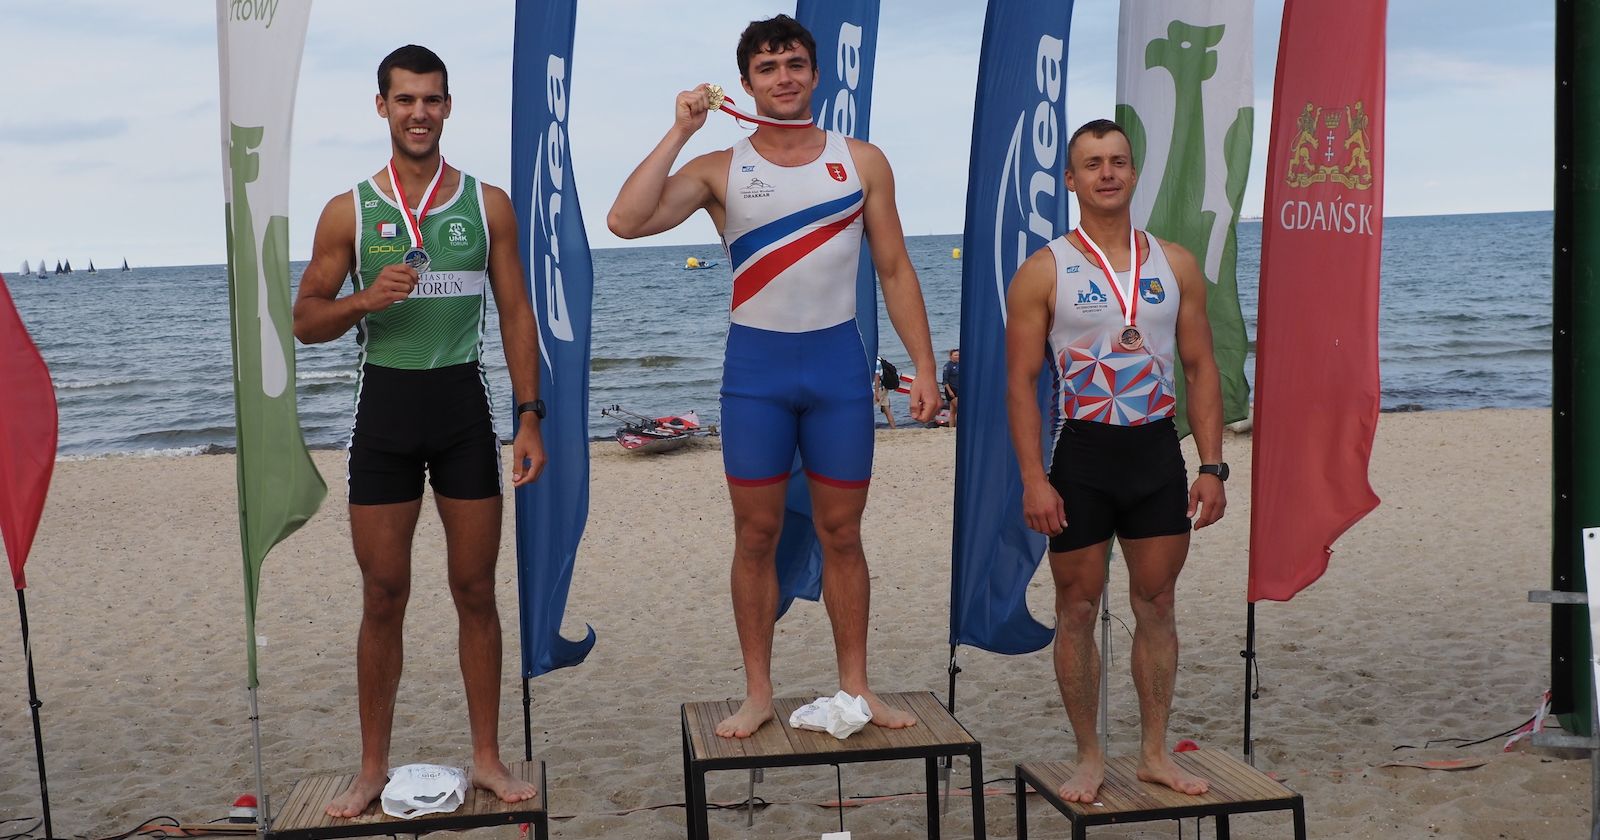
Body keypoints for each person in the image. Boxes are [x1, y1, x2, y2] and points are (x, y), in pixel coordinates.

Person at [606, 14, 941, 739]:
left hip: (837, 372)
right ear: (748, 83)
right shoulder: (720, 169)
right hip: (755, 374)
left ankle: (856, 688)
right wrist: (680, 132)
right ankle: (758, 693)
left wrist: (923, 366)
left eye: (794, 63)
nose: (783, 76)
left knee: (842, 535)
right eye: (767, 67)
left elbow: (893, 269)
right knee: (754, 536)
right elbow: (625, 222)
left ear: (815, 75)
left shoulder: (863, 161)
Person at [291, 45, 544, 817]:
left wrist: (530, 415)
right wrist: (366, 301)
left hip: (464, 410)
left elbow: (515, 312)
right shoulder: (350, 210)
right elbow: (305, 320)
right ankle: (372, 769)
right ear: (382, 107)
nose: (419, 113)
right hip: (386, 415)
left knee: (474, 590)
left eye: (432, 99)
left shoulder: (486, 202)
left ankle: (489, 759)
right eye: (405, 100)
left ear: (448, 106)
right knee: (382, 593)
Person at [1004, 119, 1228, 803]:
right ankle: (1089, 756)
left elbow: (1200, 366)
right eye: (1092, 164)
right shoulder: (1045, 270)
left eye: (1119, 162)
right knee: (1076, 606)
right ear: (1069, 180)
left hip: (1157, 452)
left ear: (1134, 174)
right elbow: (1019, 384)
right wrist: (1034, 480)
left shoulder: (1175, 263)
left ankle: (1156, 752)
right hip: (1084, 455)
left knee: (1157, 603)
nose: (1107, 173)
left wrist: (1213, 466)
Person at [874, 357, 899, 429]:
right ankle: (893, 428)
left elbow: (876, 378)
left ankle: (868, 429)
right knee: (887, 411)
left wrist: (876, 392)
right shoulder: (879, 359)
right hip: (884, 388)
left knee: (867, 410)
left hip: (876, 389)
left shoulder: (875, 362)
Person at [941, 348, 959, 427]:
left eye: (958, 355)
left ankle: (951, 428)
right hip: (951, 390)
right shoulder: (947, 366)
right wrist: (950, 391)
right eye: (955, 355)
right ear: (950, 356)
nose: (957, 356)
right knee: (960, 409)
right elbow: (945, 381)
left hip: (959, 390)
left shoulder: (960, 364)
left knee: (952, 411)